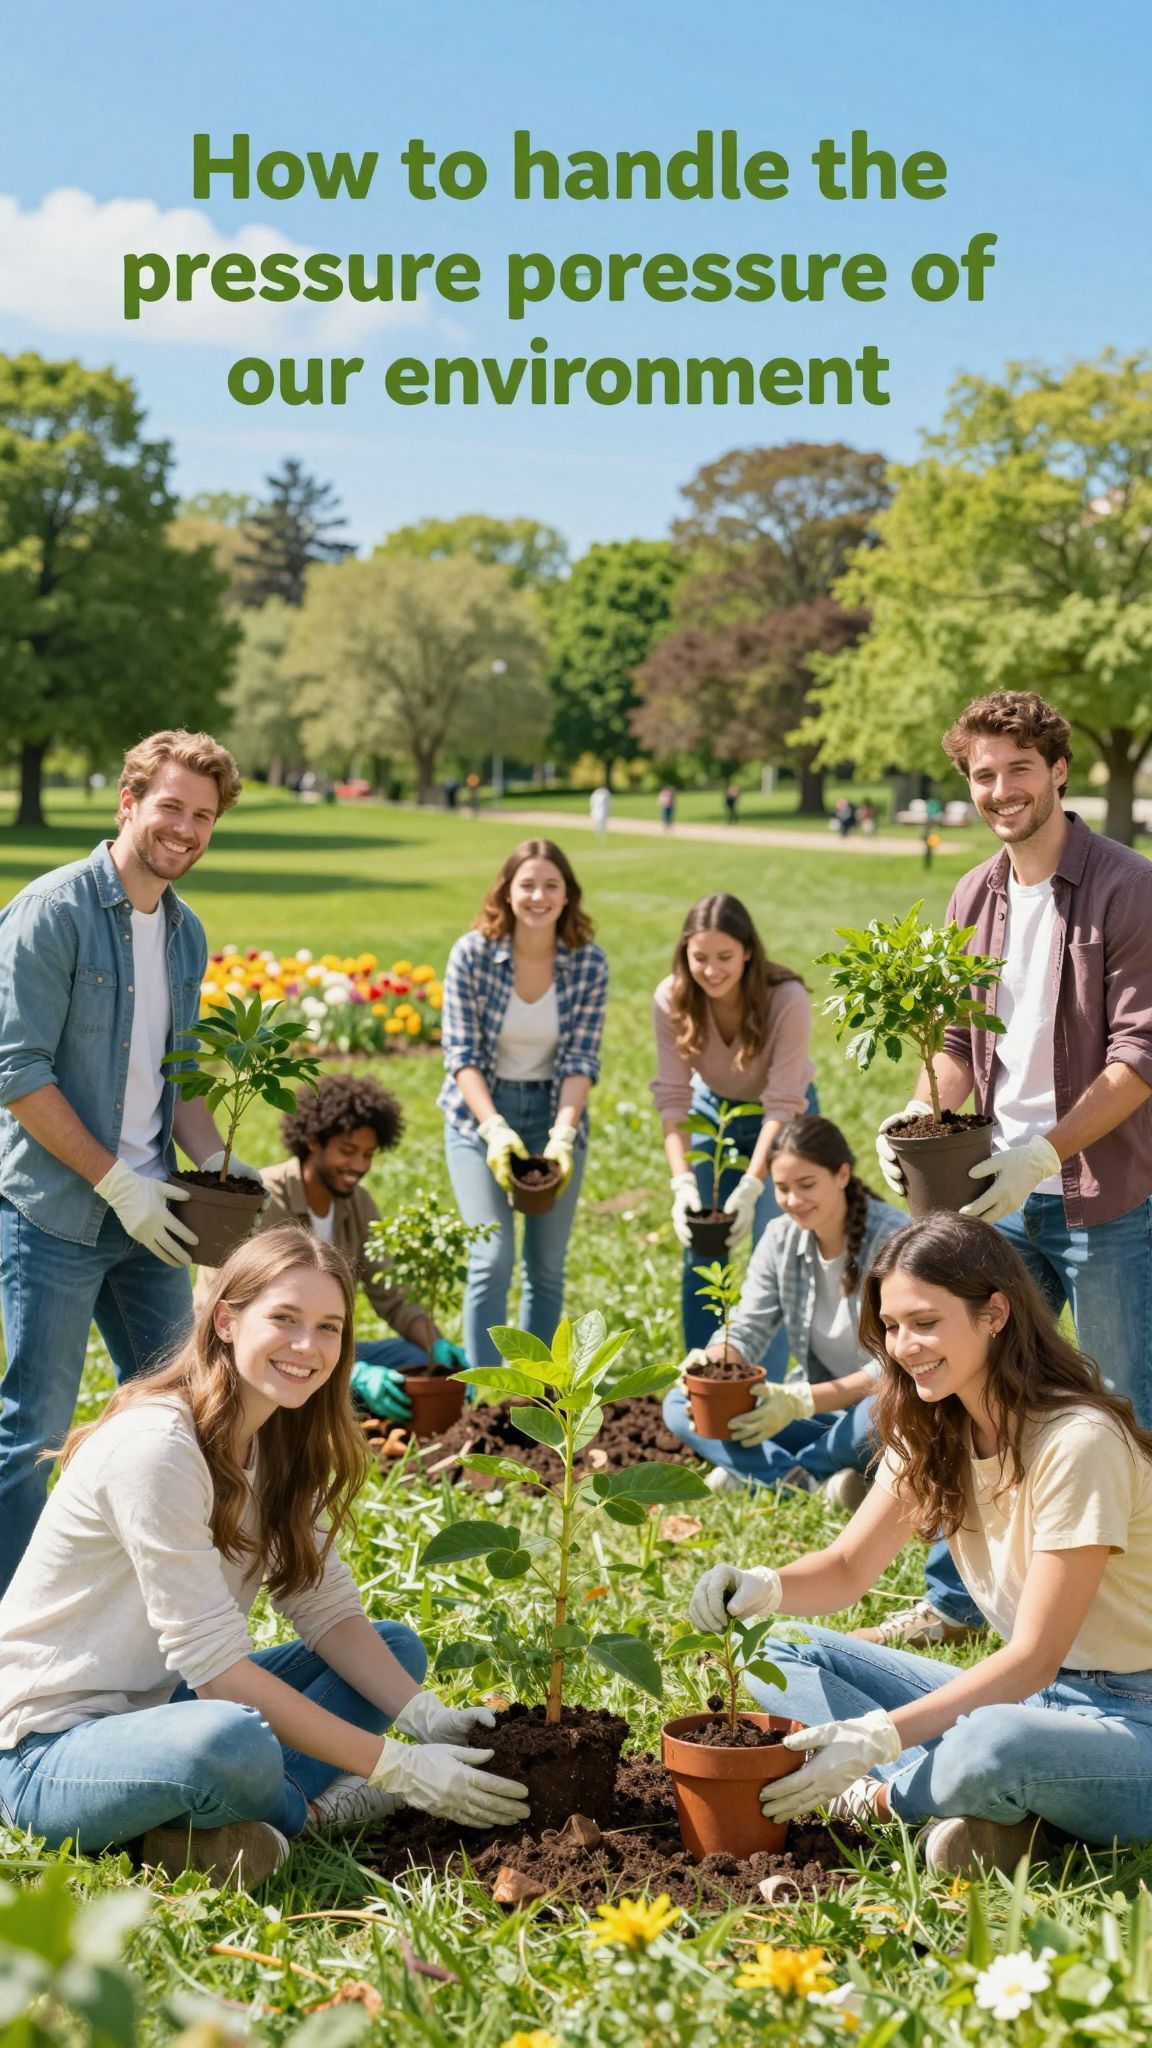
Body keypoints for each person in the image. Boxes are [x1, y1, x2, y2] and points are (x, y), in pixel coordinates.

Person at [0, 1228, 527, 1887]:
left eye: (328, 1327)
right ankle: (303, 1811)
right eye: (284, 1318)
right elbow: (219, 1671)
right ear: (225, 1318)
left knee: (391, 1651)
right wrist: (395, 1765)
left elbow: (322, 1605)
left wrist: (424, 1715)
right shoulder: (158, 1448)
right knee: (233, 1740)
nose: (308, 1347)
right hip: (45, 1751)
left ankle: (197, 1832)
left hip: (164, 1702)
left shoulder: (275, 1436)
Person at [688, 1213, 1152, 1876]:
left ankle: (885, 1798)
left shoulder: (1077, 1443)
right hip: (1035, 1701)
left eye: (926, 1322)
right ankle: (987, 1810)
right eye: (893, 1326)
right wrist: (764, 1584)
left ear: (994, 1314)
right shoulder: (936, 1427)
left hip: (1133, 1719)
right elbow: (849, 1569)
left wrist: (878, 1741)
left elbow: (1033, 1660)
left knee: (996, 1740)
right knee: (776, 1645)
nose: (904, 1346)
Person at [874, 691, 1152, 1647]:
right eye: (983, 775)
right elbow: (956, 1040)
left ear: (1058, 770)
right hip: (991, 1192)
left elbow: (1139, 1055)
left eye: (1018, 769)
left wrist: (1047, 1149)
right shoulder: (975, 898)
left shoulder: (1126, 886)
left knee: (1120, 1402)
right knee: (968, 1384)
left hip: (1102, 1196)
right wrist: (923, 1108)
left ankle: (1125, 1620)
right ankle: (958, 1601)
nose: (1001, 790)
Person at [0, 730, 265, 1598]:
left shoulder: (184, 934)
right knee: (29, 1430)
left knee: (179, 1417)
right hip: (57, 1215)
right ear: (128, 803)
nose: (185, 829)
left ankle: (148, 1610)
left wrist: (226, 1167)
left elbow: (176, 1079)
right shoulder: (56, 910)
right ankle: (15, 1634)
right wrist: (115, 1179)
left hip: (157, 1220)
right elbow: (16, 1071)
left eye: (203, 815)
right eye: (170, 807)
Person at [193, 1074, 469, 1427]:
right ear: (312, 1141)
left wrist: (437, 1348)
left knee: (414, 1357)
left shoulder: (357, 1205)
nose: (359, 1166)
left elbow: (393, 1295)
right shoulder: (263, 1200)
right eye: (347, 1151)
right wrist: (353, 1375)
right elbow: (223, 1305)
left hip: (320, 1348)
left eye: (368, 1154)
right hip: (255, 1353)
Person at [662, 1116, 904, 1499]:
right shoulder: (780, 1238)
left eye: (807, 1185)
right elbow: (748, 1327)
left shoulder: (894, 1240)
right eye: (782, 1188)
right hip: (817, 1415)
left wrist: (801, 1401)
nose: (793, 1201)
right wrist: (710, 1364)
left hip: (874, 1410)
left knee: (893, 1406)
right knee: (680, 1402)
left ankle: (762, 1473)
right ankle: (805, 1479)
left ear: (842, 1175)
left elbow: (900, 1362)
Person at [439, 839, 608, 1366]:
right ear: (507, 893)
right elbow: (461, 1054)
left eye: (550, 886)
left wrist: (562, 1134)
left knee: (546, 1265)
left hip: (556, 1111)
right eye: (527, 885)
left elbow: (581, 1059)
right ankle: (486, 1396)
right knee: (491, 1257)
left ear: (567, 896)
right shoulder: (472, 954)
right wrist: (493, 1128)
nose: (539, 896)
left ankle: (536, 1391)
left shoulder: (587, 964)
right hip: (478, 1116)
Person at [652, 893, 816, 1370]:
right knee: (701, 1245)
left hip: (784, 1121)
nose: (712, 970)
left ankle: (764, 1384)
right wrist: (682, 1182)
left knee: (775, 1250)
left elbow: (783, 1103)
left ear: (748, 950)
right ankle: (702, 1379)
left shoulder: (785, 998)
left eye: (725, 957)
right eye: (699, 957)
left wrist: (753, 1183)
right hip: (713, 1113)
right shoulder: (673, 998)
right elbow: (674, 1098)